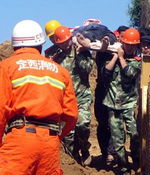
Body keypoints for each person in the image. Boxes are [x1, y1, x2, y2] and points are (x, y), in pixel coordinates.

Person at [0, 20, 78, 175]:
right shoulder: (60, 71)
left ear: (14, 45)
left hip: (21, 138)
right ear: (41, 44)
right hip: (50, 144)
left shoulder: (6, 67)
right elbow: (71, 115)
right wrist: (56, 137)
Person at [101, 28, 141, 175]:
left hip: (129, 104)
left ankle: (137, 160)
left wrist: (122, 58)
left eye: (133, 45)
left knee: (135, 134)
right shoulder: (112, 56)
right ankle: (124, 168)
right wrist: (115, 57)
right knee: (117, 141)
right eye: (127, 44)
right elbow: (105, 73)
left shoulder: (137, 61)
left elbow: (129, 73)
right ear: (122, 43)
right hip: (113, 104)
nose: (130, 47)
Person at [53, 25, 94, 166]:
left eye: (68, 40)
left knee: (82, 124)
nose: (66, 44)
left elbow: (87, 69)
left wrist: (80, 54)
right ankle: (74, 162)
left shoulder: (82, 52)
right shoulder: (56, 58)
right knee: (67, 134)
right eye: (62, 42)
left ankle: (85, 149)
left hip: (82, 96)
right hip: (65, 101)